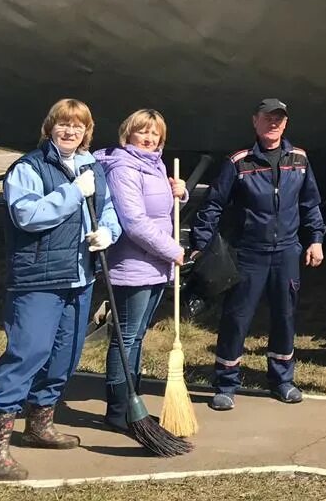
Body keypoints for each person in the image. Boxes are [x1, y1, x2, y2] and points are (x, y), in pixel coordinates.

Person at [0, 99, 120, 482]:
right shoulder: (28, 168)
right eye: (63, 124)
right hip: (38, 279)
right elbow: (27, 216)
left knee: (65, 356)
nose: (70, 131)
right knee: (27, 354)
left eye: (78, 126)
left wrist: (108, 233)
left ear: (87, 131)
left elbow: (108, 210)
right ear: (50, 128)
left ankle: (39, 425)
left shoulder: (92, 167)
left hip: (80, 278)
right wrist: (74, 192)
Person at [190, 98, 326, 411]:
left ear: (286, 123)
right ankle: (226, 384)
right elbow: (212, 205)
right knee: (236, 319)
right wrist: (201, 245)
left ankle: (282, 381)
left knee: (285, 317)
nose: (273, 124)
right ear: (255, 121)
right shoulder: (238, 162)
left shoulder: (300, 159)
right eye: (267, 118)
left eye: (279, 119)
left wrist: (315, 239)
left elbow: (310, 203)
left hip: (287, 253)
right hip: (248, 253)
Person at [93, 108, 186, 432]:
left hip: (155, 265)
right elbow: (134, 223)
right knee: (126, 338)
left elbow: (161, 211)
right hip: (133, 266)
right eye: (142, 131)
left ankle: (133, 401)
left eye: (155, 133)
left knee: (136, 336)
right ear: (127, 133)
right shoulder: (123, 168)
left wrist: (181, 193)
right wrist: (173, 250)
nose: (149, 138)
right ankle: (119, 410)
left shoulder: (154, 163)